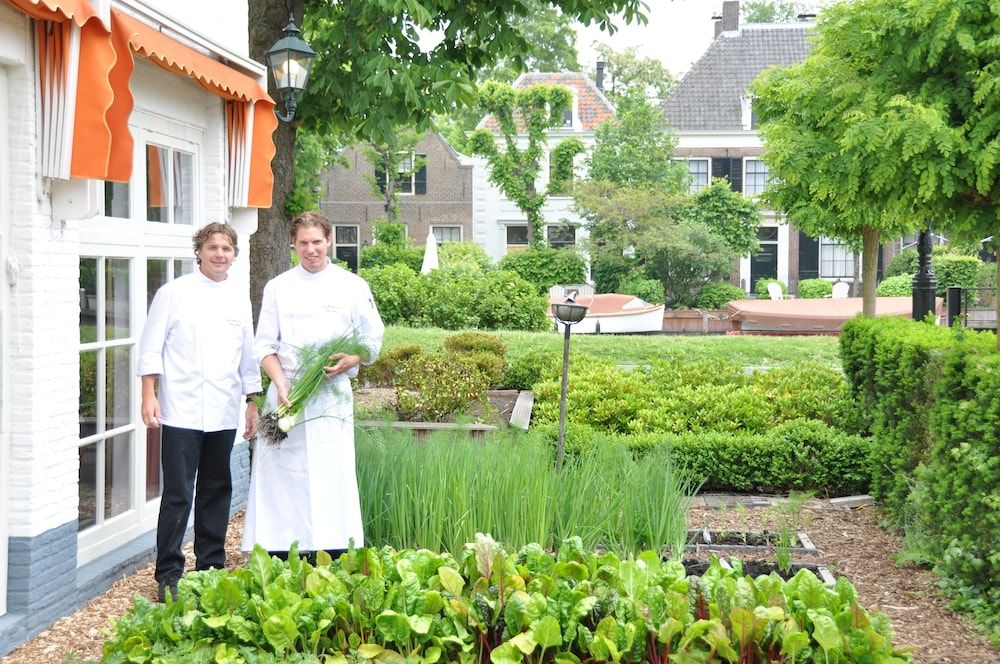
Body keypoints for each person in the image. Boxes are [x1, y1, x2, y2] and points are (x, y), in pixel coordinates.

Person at [242, 211, 384, 560]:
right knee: (280, 473)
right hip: (287, 396)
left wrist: (352, 358)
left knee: (330, 469)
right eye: (303, 243)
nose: (310, 250)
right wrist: (281, 384)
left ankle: (333, 549)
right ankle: (277, 550)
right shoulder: (278, 287)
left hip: (331, 396)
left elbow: (372, 339)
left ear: (329, 241)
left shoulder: (352, 286)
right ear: (293, 244)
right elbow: (264, 346)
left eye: (317, 242)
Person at [137, 222, 261, 602]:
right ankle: (168, 573)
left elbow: (248, 356)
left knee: (216, 490)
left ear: (234, 255)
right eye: (212, 247)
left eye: (226, 248)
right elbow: (151, 347)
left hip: (223, 411)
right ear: (200, 252)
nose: (219, 254)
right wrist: (148, 394)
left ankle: (210, 567)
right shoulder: (173, 294)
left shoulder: (239, 299)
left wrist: (252, 401)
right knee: (178, 494)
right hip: (181, 411)